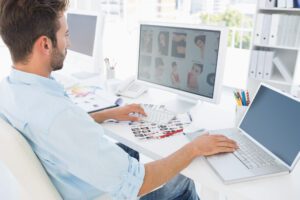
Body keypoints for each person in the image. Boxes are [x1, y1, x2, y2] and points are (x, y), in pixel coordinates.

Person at [0, 1, 238, 200]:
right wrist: (194, 148)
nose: (69, 43)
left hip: (68, 179)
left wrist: (107, 114)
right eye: (66, 35)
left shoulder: (12, 90)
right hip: (97, 194)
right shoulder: (59, 116)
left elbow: (60, 130)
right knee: (184, 180)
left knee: (128, 149)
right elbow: (138, 183)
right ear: (45, 44)